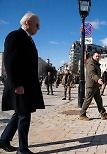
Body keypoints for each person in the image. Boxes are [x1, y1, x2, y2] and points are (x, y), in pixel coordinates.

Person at [0, 12, 45, 154]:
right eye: (37, 25)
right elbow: (9, 61)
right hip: (20, 85)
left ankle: (3, 140)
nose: (38, 28)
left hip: (27, 85)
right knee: (24, 116)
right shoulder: (15, 36)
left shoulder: (28, 39)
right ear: (27, 23)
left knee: (19, 114)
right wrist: (17, 84)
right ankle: (23, 150)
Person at [79, 51, 107, 121]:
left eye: (99, 56)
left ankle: (103, 114)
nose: (98, 57)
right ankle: (82, 114)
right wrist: (98, 79)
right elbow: (91, 73)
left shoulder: (95, 63)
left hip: (95, 85)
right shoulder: (90, 63)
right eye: (96, 56)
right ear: (93, 56)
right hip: (91, 85)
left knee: (99, 100)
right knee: (88, 100)